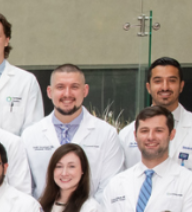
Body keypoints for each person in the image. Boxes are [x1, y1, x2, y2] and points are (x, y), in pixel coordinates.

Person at [19, 64, 124, 198]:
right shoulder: (30, 135)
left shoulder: (107, 134)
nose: (67, 94)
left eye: (74, 87)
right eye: (60, 87)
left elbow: (110, 186)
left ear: (85, 90)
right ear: (49, 92)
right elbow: (25, 187)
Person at [119, 58, 192, 184]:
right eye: (158, 81)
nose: (165, 87)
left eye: (171, 81)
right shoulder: (127, 134)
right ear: (148, 87)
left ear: (181, 86)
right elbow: (120, 184)